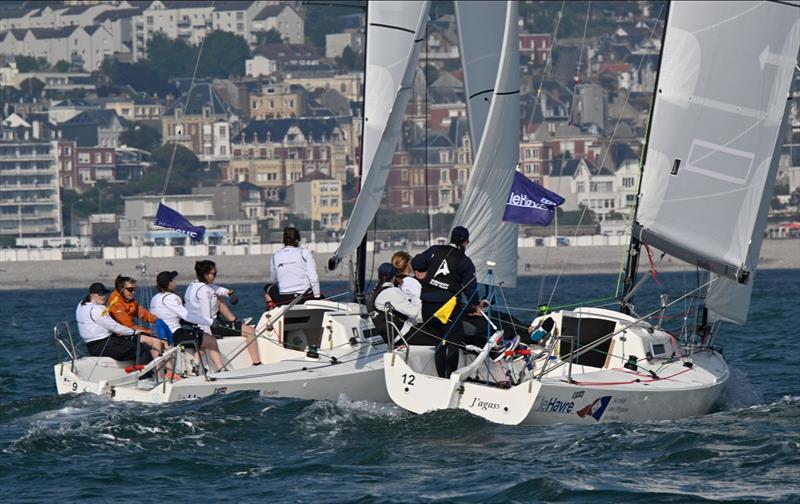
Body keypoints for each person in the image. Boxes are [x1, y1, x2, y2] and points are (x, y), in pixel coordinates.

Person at [410, 226, 483, 378]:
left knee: (439, 341)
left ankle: (440, 377)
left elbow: (417, 263)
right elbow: (471, 290)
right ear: (466, 242)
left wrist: (425, 269)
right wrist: (473, 306)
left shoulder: (435, 249)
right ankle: (449, 378)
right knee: (453, 340)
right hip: (446, 307)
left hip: (427, 305)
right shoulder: (465, 261)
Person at [185, 260, 262, 366]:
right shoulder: (204, 291)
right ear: (206, 274)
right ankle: (257, 363)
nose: (216, 276)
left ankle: (196, 359)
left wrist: (229, 293)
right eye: (214, 274)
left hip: (197, 324)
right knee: (250, 331)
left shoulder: (194, 284)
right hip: (210, 325)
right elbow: (205, 316)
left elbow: (217, 289)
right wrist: (208, 336)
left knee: (218, 297)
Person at [150, 271, 227, 372]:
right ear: (169, 284)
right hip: (174, 335)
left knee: (202, 336)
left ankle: (195, 361)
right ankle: (221, 369)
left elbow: (169, 316)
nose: (175, 283)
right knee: (211, 340)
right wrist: (210, 322)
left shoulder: (155, 298)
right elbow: (187, 316)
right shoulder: (171, 298)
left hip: (160, 335)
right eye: (173, 281)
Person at [76, 282, 166, 364]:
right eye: (100, 294)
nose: (103, 296)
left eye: (104, 294)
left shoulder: (81, 305)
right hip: (103, 344)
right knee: (141, 349)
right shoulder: (98, 309)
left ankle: (138, 371)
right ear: (92, 295)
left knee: (134, 345)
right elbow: (114, 327)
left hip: (91, 346)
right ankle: (145, 377)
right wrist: (134, 331)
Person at [369, 263, 422, 343]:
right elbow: (415, 313)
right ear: (394, 277)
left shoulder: (375, 292)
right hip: (400, 335)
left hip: (387, 336)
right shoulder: (390, 292)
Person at [269, 226, 321, 304]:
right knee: (321, 296)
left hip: (283, 299)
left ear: (284, 241)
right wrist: (317, 297)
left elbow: (273, 280)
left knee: (268, 287)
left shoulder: (275, 256)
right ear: (297, 240)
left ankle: (272, 308)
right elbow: (313, 277)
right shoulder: (304, 252)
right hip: (303, 297)